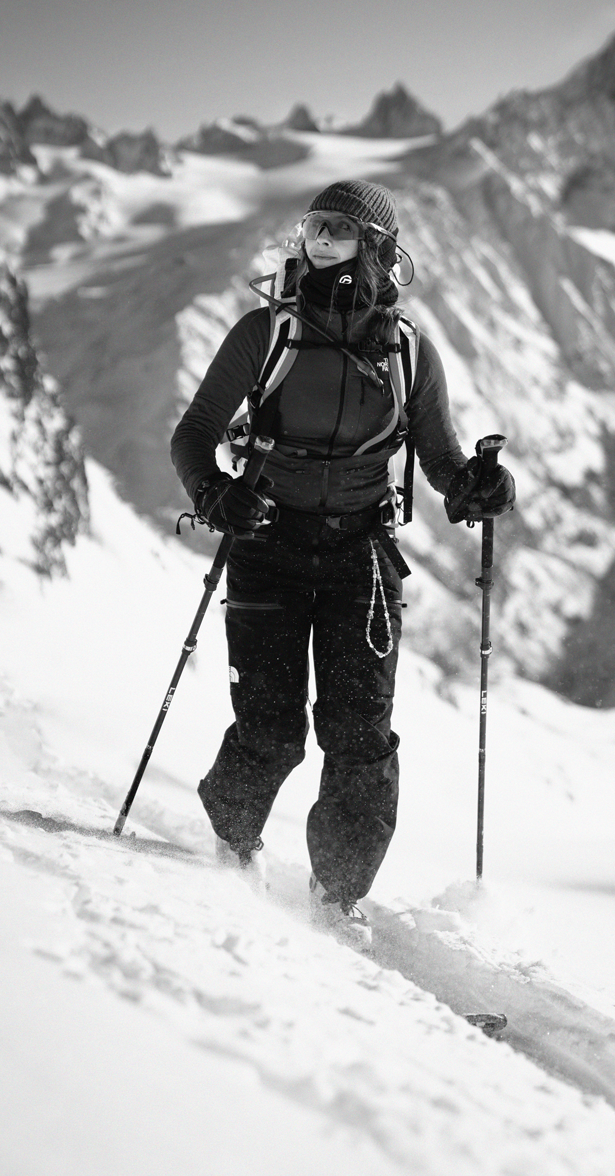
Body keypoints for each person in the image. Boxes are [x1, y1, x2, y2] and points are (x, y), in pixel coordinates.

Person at [170, 180, 515, 942]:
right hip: (267, 545)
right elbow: (192, 433)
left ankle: (338, 898)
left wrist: (476, 488)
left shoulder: (409, 351)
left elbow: (442, 460)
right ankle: (230, 846)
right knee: (270, 727)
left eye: (337, 229)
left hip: (362, 556)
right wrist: (214, 492)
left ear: (378, 248)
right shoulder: (265, 334)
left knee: (361, 737)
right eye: (312, 227)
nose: (318, 241)